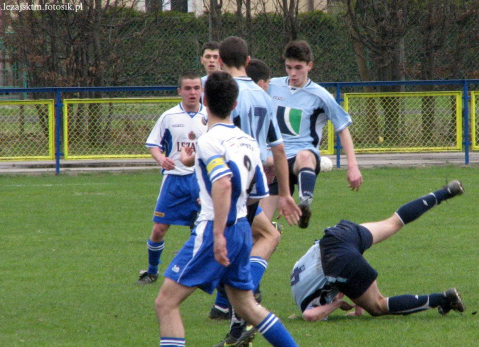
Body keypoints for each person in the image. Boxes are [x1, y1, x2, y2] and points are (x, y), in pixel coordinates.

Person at [154, 71, 298, 347]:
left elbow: (222, 183)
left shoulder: (209, 140)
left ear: (205, 100)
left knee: (166, 303)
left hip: (212, 230)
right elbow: (257, 191)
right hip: (243, 228)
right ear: (234, 105)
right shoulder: (247, 141)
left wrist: (219, 233)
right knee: (247, 307)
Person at [211, 36, 301, 344]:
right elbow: (278, 150)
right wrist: (286, 193)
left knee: (245, 244)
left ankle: (238, 311)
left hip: (226, 185)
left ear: (220, 61)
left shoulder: (225, 94)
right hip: (253, 187)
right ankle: (237, 309)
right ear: (248, 61)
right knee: (263, 238)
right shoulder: (264, 97)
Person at [290, 180, 466, 321]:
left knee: (378, 306)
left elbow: (309, 315)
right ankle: (446, 192)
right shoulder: (298, 276)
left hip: (337, 259)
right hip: (337, 236)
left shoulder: (309, 303)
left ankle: (443, 299)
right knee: (393, 222)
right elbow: (346, 275)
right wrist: (358, 310)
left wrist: (338, 305)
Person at [261, 40, 363, 229]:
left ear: (309, 66)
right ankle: (273, 230)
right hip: (274, 162)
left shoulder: (320, 95)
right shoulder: (272, 86)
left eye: (298, 68)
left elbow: (342, 128)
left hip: (300, 157)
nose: (293, 73)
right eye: (288, 67)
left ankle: (304, 204)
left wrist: (353, 166)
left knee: (306, 155)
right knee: (260, 227)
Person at [136, 71, 207, 285]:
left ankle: (198, 275)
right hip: (174, 181)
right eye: (187, 88)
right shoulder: (169, 117)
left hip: (200, 181)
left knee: (201, 231)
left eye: (196, 88)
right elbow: (153, 144)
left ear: (201, 90)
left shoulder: (210, 117)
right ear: (179, 91)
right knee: (159, 230)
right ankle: (151, 271)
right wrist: (161, 159)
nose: (192, 92)